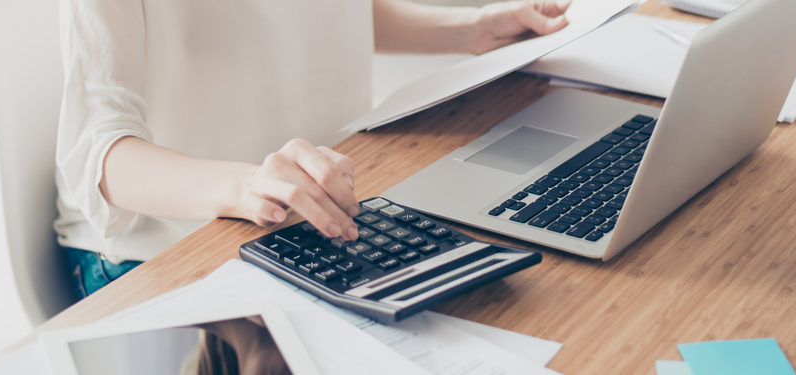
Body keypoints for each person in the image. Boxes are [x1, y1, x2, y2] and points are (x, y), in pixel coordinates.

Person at [55, 0, 574, 299]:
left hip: (322, 219)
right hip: (168, 256)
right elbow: (97, 152)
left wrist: (471, 30)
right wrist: (249, 186)